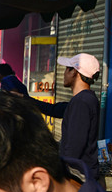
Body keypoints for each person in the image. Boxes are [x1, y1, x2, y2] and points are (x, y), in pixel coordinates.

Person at [29, 53, 101, 181]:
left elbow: (75, 145)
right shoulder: (85, 99)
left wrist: (61, 173)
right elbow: (54, 109)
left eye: (67, 69)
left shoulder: (82, 101)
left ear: (75, 72)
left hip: (79, 175)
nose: (64, 73)